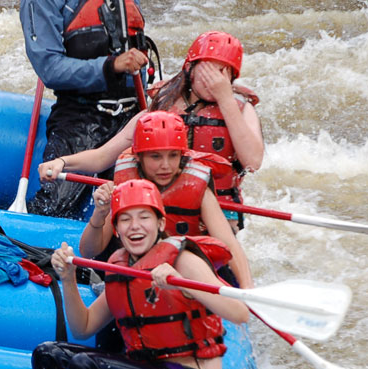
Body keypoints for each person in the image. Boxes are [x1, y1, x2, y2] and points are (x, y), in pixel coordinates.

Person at [32, 179, 249, 369]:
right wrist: (68, 278)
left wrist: (186, 287)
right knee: (48, 355)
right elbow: (83, 328)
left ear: (160, 223)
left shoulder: (183, 261)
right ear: (117, 230)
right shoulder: (121, 267)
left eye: (144, 217)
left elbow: (240, 313)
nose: (135, 227)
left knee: (84, 366)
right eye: (125, 220)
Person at [19, 0, 151, 219]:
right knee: (55, 208)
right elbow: (49, 69)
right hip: (80, 118)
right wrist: (111, 66)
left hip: (131, 116)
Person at [39, 110, 254, 288]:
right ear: (139, 157)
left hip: (183, 273)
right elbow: (89, 251)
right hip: (135, 271)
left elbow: (229, 245)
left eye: (173, 156)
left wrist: (248, 292)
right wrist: (100, 214)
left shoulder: (196, 185)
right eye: (156, 157)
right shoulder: (125, 183)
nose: (166, 166)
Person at [148, 31, 264, 230]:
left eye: (222, 73)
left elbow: (253, 162)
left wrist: (225, 98)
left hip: (221, 209)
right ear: (190, 68)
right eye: (209, 70)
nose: (214, 80)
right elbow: (113, 151)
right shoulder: (165, 102)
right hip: (165, 204)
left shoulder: (242, 108)